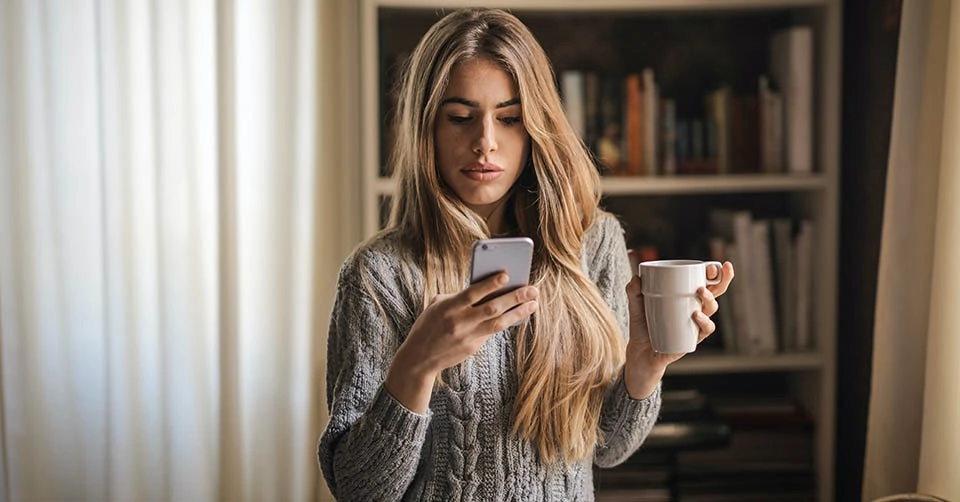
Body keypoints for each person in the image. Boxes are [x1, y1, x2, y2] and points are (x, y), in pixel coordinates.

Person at [318, 8, 734, 501]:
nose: (485, 143)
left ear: (536, 125)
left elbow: (611, 448)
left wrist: (645, 366)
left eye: (509, 118)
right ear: (426, 127)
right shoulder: (377, 276)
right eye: (460, 117)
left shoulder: (592, 245)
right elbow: (358, 489)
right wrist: (416, 367)